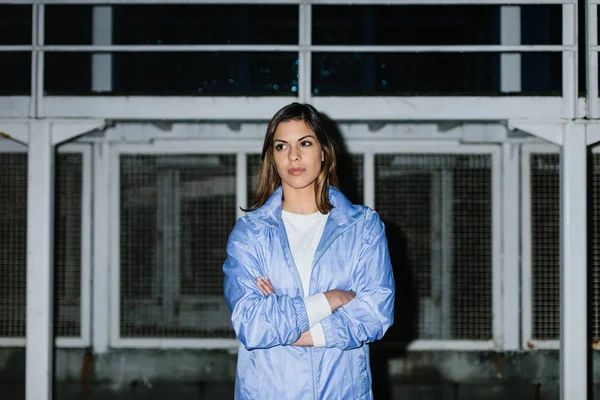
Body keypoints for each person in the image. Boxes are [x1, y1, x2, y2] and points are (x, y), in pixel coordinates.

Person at [222, 102, 395, 399]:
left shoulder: (363, 227)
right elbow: (250, 323)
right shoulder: (250, 233)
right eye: (281, 146)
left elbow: (374, 314)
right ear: (272, 158)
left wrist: (283, 321)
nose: (293, 156)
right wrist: (330, 299)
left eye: (304, 142)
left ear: (324, 151)